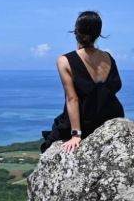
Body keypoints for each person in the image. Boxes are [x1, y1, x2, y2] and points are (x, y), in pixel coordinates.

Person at [40, 10, 125, 154]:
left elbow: (72, 99)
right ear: (98, 33)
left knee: (52, 137)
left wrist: (76, 134)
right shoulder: (108, 58)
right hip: (112, 118)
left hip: (85, 122)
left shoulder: (64, 61)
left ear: (76, 31)